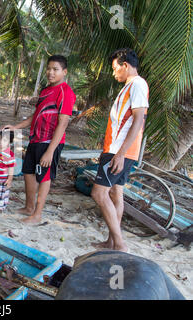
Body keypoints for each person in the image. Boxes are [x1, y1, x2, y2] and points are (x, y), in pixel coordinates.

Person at [1, 55, 76, 224]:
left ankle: (37, 215)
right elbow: (36, 116)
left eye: (55, 69)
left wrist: (50, 151)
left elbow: (63, 123)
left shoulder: (66, 92)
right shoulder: (45, 90)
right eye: (49, 69)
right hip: (35, 139)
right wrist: (16, 127)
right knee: (28, 173)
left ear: (64, 72)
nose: (50, 72)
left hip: (50, 142)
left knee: (44, 176)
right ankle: (29, 207)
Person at [91, 48, 149, 253]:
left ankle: (120, 244)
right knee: (116, 194)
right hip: (115, 149)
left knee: (99, 193)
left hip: (120, 151)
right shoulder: (129, 86)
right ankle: (112, 242)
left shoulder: (138, 84)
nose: (114, 73)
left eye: (116, 69)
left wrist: (120, 153)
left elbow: (138, 121)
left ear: (126, 65)